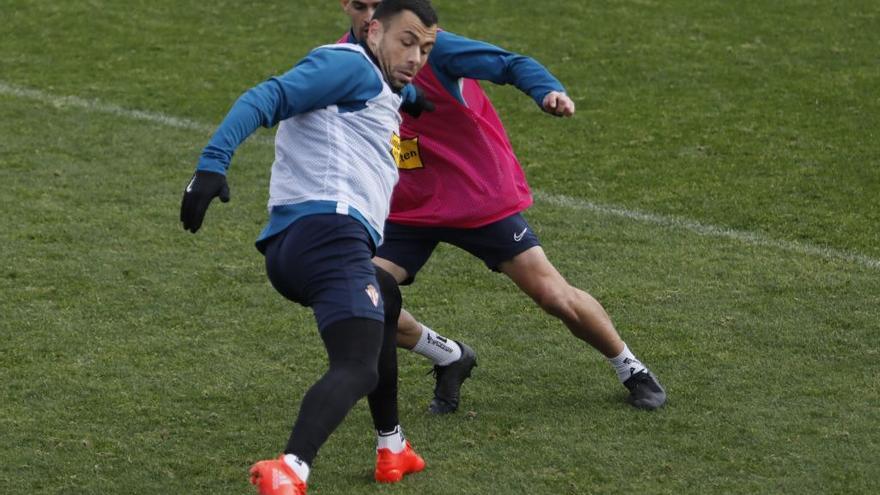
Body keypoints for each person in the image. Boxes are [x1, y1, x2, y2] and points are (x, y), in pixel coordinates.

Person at [338, 0, 667, 411]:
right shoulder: (341, 60)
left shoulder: (435, 48)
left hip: (476, 197)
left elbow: (510, 63)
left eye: (379, 4)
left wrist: (546, 91)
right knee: (359, 295)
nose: (371, 13)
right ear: (345, 5)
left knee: (552, 295)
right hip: (408, 207)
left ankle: (630, 367)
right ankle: (449, 355)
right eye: (362, 5)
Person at [180, 1, 439, 494]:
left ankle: (393, 448)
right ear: (373, 29)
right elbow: (266, 96)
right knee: (357, 366)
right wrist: (212, 164)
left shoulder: (376, 80)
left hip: (299, 245)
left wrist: (411, 98)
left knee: (384, 294)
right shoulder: (344, 64)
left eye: (426, 48)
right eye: (407, 42)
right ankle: (292, 469)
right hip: (330, 236)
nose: (416, 57)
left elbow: (371, 94)